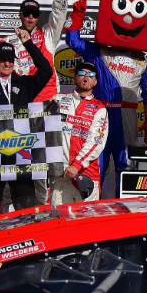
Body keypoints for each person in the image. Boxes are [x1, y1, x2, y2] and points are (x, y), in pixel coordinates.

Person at [62, 0, 147, 185]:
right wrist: (78, 16)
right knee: (96, 164)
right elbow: (73, 41)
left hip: (127, 116)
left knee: (127, 166)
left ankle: (125, 211)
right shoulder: (98, 49)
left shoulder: (142, 58)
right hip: (100, 113)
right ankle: (94, 210)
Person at [0, 33, 56, 217]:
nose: (7, 64)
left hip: (21, 154)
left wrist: (28, 44)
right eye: (3, 60)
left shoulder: (25, 84)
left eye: (10, 60)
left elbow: (46, 70)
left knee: (26, 207)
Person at [50, 58, 108, 206]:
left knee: (85, 223)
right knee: (58, 221)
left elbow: (96, 142)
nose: (86, 76)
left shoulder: (99, 109)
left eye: (91, 75)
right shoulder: (58, 100)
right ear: (75, 77)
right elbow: (43, 131)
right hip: (60, 174)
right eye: (82, 73)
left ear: (95, 82)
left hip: (86, 175)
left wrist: (77, 165)